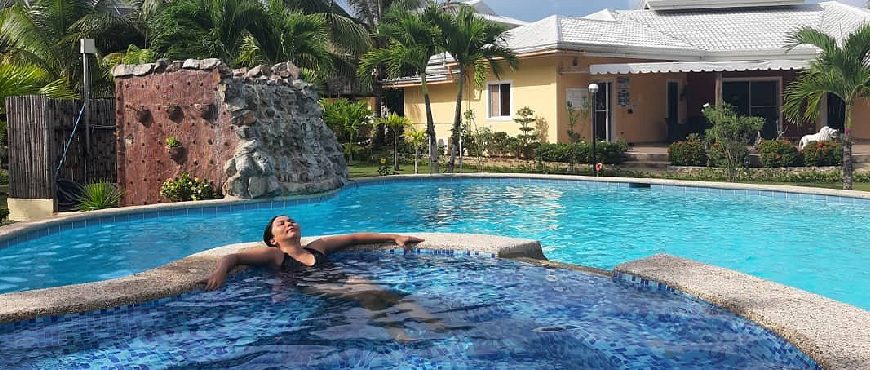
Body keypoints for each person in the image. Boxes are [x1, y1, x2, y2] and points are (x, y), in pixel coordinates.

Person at [203, 215, 424, 290]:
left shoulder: (317, 247)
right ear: (273, 240)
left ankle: (425, 325)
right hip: (319, 289)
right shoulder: (276, 255)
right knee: (367, 290)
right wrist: (220, 272)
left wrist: (394, 236)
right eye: (281, 224)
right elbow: (234, 257)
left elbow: (355, 238)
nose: (289, 223)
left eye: (291, 221)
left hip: (343, 282)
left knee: (389, 296)